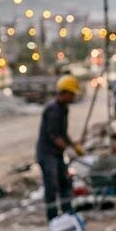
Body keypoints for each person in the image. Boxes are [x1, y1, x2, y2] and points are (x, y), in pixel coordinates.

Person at [36, 75, 83, 221]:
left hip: (56, 154)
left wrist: (73, 145)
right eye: (72, 94)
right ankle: (53, 218)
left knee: (65, 182)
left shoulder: (63, 109)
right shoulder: (53, 110)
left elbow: (62, 133)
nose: (74, 97)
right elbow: (54, 135)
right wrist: (67, 149)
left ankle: (67, 213)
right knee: (52, 186)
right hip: (47, 153)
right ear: (65, 93)